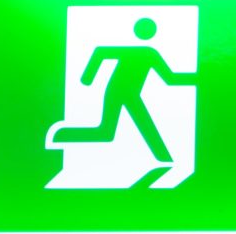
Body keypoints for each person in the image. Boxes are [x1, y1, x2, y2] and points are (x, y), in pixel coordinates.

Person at [52, 17, 193, 163]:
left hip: (130, 94)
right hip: (117, 92)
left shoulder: (151, 54)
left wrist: (197, 78)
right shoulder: (145, 52)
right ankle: (165, 158)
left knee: (106, 132)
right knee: (108, 132)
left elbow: (170, 78)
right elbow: (101, 52)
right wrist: (87, 78)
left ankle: (164, 158)